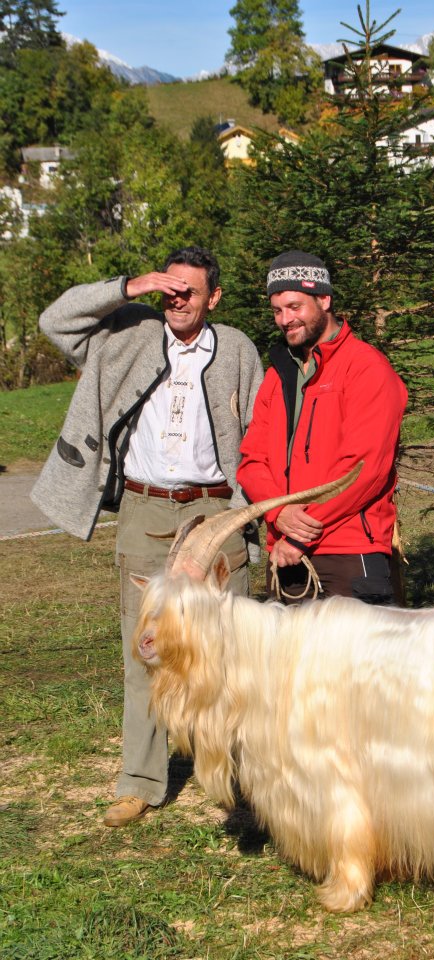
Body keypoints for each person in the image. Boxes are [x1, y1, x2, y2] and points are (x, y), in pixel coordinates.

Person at [31, 246, 263, 826]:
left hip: (215, 512)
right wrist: (127, 287)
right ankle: (139, 780)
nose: (177, 298)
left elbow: (260, 432)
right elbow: (54, 321)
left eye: (190, 290)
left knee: (229, 648)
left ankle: (238, 783)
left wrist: (244, 510)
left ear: (214, 298)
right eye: (169, 288)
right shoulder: (127, 333)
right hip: (143, 508)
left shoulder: (236, 348)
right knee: (146, 650)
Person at [237, 250, 407, 605]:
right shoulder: (277, 375)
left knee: (357, 662)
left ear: (325, 299)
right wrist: (278, 513)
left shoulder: (366, 368)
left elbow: (365, 469)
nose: (285, 319)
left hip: (348, 552)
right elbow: (252, 460)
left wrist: (303, 530)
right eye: (277, 310)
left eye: (295, 306)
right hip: (285, 554)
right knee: (290, 663)